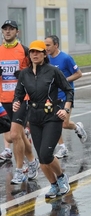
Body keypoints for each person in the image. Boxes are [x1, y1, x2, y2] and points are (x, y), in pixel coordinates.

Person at [13, 40, 73, 199]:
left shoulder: (53, 71)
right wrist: (16, 102)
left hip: (52, 115)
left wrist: (65, 110)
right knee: (41, 158)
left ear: (44, 54)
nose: (34, 54)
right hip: (34, 117)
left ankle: (61, 177)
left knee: (46, 155)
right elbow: (18, 93)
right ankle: (53, 185)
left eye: (38, 52)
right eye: (32, 52)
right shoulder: (24, 74)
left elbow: (68, 90)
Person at [0, 20, 39, 184]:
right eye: (5, 29)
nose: (8, 32)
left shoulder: (24, 51)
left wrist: (23, 74)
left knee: (15, 135)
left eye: (11, 29)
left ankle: (20, 170)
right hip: (3, 100)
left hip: (21, 99)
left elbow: (36, 71)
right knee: (16, 136)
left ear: (17, 32)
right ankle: (32, 161)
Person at [44, 35, 87, 159]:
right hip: (52, 96)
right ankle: (62, 148)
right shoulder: (46, 59)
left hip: (66, 95)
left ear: (56, 45)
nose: (46, 48)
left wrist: (63, 80)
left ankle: (76, 127)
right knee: (53, 123)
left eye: (48, 45)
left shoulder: (66, 58)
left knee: (64, 123)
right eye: (45, 45)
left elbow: (79, 74)